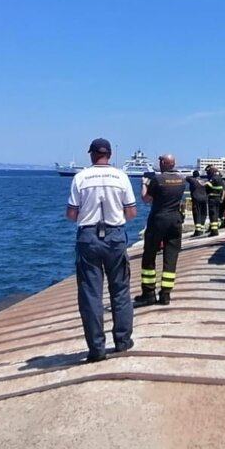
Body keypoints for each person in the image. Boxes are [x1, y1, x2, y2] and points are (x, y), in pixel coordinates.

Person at [66, 138, 137, 362]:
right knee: (120, 291)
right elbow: (132, 212)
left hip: (88, 237)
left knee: (90, 294)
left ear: (91, 155)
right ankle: (123, 342)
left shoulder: (80, 178)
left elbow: (71, 214)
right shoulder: (121, 177)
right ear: (110, 155)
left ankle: (96, 349)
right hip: (115, 236)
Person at [135, 154, 186, 306]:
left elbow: (146, 199)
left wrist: (144, 183)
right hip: (175, 221)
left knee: (149, 255)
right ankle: (166, 294)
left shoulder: (157, 180)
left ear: (164, 163)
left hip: (158, 220)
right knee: (171, 257)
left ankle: (149, 293)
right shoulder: (181, 180)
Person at [186, 169, 209, 236]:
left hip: (196, 199)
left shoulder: (193, 180)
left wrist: (193, 177)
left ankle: (198, 231)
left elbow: (187, 178)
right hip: (204, 199)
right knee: (203, 213)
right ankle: (202, 228)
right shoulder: (204, 181)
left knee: (197, 214)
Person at [205, 165, 225, 236]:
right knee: (216, 214)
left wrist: (205, 184)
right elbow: (222, 189)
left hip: (212, 198)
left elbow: (208, 186)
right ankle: (215, 229)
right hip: (218, 198)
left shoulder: (213, 178)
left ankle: (214, 231)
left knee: (212, 214)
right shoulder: (220, 179)